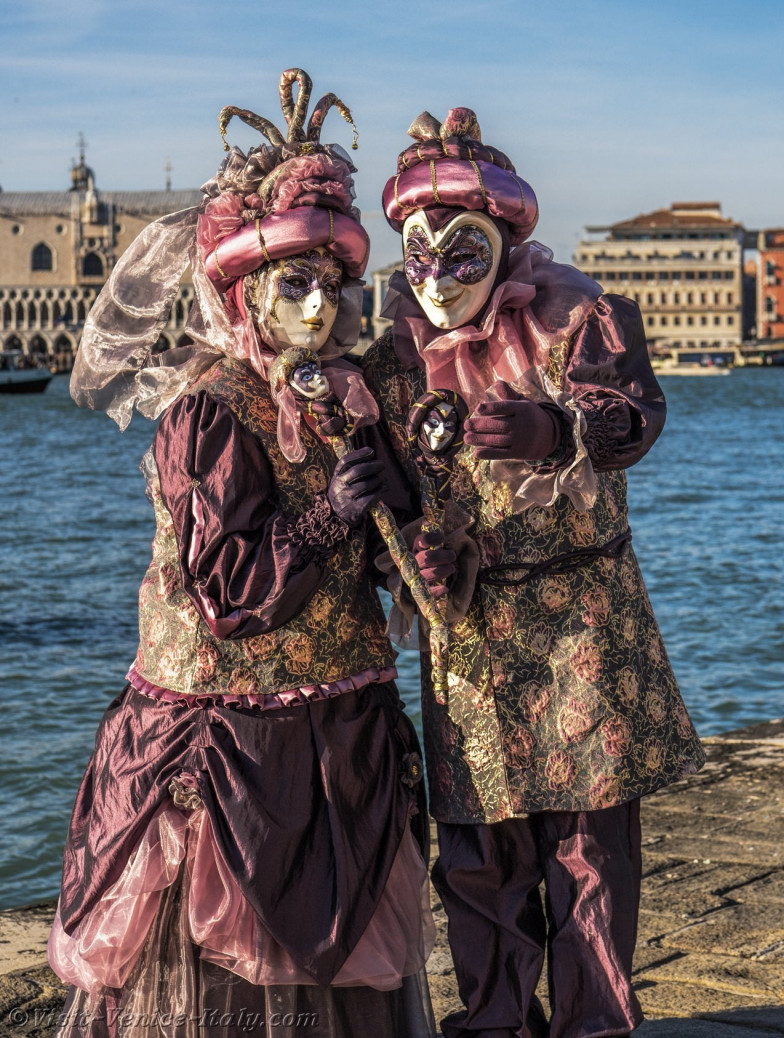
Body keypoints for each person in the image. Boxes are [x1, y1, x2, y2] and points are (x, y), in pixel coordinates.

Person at [48, 69, 435, 1038]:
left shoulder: (343, 399)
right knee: (229, 968)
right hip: (226, 733)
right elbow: (226, 589)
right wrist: (329, 517)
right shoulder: (207, 414)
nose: (315, 309)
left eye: (330, 287)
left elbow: (391, 562)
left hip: (333, 720)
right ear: (244, 295)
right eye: (291, 286)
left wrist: (398, 512)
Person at [362, 107, 706, 1038]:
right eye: (418, 253)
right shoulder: (393, 356)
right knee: (480, 850)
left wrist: (557, 428)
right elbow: (396, 490)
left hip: (580, 626)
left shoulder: (578, 315)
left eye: (461, 252)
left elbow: (633, 412)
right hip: (469, 637)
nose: (435, 279)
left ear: (505, 240)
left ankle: (594, 1023)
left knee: (589, 846)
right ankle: (497, 1023)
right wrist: (413, 546)